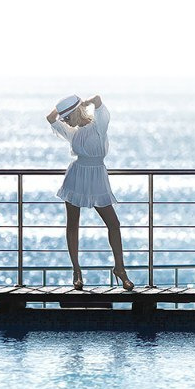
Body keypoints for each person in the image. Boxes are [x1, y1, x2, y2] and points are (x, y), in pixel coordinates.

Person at [46, 94, 134, 291]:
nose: (65, 122)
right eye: (65, 119)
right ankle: (76, 271)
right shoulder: (72, 132)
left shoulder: (98, 125)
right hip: (76, 176)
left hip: (97, 176)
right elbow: (50, 119)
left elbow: (99, 100)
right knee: (72, 225)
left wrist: (84, 102)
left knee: (113, 223)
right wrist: (62, 108)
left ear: (77, 112)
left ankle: (120, 269)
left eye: (67, 117)